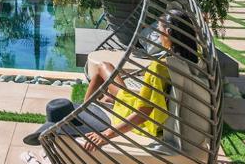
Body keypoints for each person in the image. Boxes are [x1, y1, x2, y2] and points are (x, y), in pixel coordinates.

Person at [23, 9, 194, 150]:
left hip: (139, 114)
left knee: (102, 69)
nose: (158, 36)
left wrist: (106, 135)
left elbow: (142, 114)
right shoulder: (190, 62)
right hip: (149, 109)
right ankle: (96, 103)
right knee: (106, 69)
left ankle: (84, 110)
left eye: (160, 30)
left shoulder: (159, 68)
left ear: (169, 33)